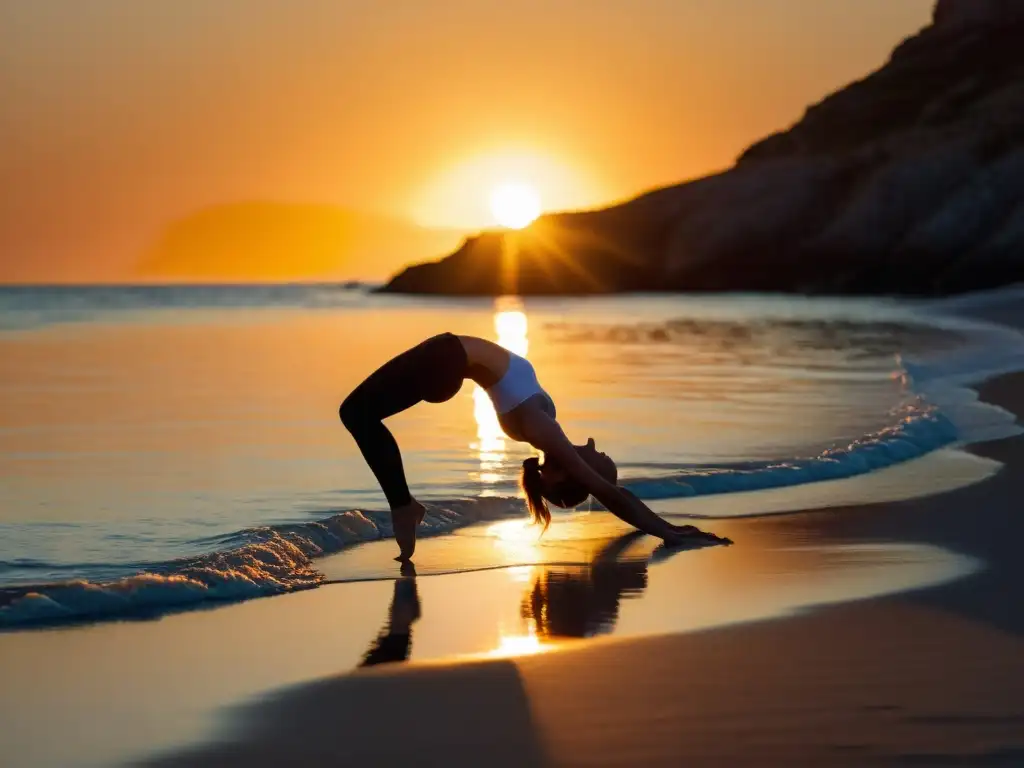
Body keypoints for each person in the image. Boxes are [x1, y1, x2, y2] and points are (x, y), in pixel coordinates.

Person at [339, 332, 730, 561]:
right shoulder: (541, 425)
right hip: (447, 360)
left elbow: (609, 493)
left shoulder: (540, 430)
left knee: (355, 413)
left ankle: (403, 507)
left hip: (446, 357)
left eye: (599, 464)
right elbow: (606, 487)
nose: (599, 449)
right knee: (357, 414)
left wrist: (669, 531)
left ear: (565, 470)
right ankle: (404, 506)